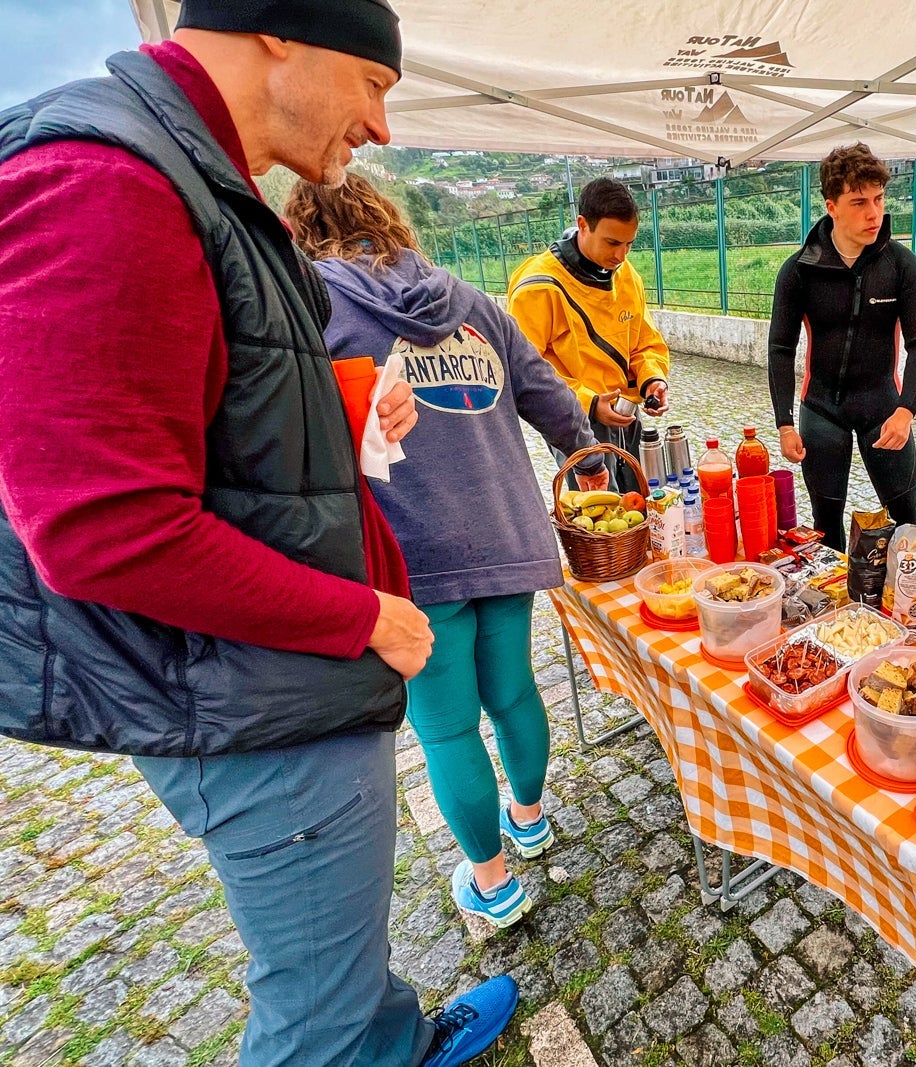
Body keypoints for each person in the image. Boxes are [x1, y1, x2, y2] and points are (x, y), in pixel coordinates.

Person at [0, 4, 516, 1065]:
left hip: (271, 678)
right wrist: (360, 611)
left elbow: (201, 409)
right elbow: (104, 526)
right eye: (373, 81)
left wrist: (338, 394)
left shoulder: (194, 178)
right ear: (282, 31)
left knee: (344, 948)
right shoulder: (109, 182)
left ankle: (397, 1038)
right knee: (311, 1013)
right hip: (243, 695)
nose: (378, 125)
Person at [287, 174, 608, 929]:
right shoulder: (469, 298)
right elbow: (548, 394)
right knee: (516, 693)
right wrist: (589, 457)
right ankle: (528, 819)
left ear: (305, 232)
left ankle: (492, 884)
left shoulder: (314, 304)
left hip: (414, 555)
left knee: (449, 727)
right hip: (506, 532)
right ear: (389, 222)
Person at [767, 143, 916, 550]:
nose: (873, 213)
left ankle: (905, 606)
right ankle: (838, 610)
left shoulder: (900, 264)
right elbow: (780, 348)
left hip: (884, 409)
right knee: (826, 527)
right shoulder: (799, 271)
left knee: (906, 523)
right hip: (822, 410)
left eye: (878, 199)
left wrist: (905, 411)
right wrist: (784, 423)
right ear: (832, 206)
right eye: (859, 202)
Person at [508, 177, 671, 495]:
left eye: (629, 244)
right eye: (612, 243)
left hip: (624, 413)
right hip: (575, 421)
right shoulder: (539, 286)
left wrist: (652, 379)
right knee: (600, 519)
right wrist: (590, 403)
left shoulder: (626, 275)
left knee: (638, 502)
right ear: (583, 225)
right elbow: (525, 375)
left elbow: (643, 342)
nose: (621, 255)